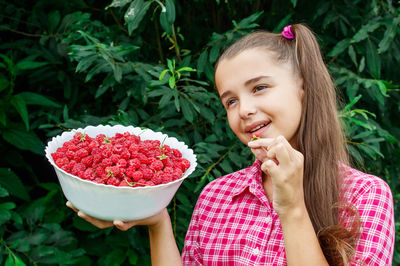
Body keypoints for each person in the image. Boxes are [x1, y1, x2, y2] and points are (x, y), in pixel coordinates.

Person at [67, 24, 395, 265]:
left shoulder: (364, 196)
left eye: (260, 87)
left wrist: (293, 207)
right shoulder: (217, 197)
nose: (245, 109)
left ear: (303, 88)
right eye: (230, 101)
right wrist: (157, 220)